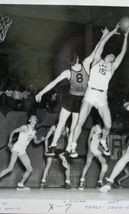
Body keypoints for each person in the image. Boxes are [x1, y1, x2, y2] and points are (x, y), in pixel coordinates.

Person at [35, 28, 109, 158]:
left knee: (61, 124)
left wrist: (41, 92)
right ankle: (70, 149)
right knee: (75, 126)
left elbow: (53, 83)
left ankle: (52, 147)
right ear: (78, 59)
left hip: (69, 99)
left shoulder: (67, 72)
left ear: (69, 62)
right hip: (81, 101)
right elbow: (97, 50)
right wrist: (104, 36)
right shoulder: (86, 65)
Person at [70, 23, 129, 158]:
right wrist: (113, 31)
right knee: (80, 121)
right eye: (110, 54)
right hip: (90, 93)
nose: (111, 55)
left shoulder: (112, 67)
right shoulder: (97, 60)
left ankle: (103, 141)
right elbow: (102, 44)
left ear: (113, 60)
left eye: (113, 56)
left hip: (102, 97)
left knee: (108, 125)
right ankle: (73, 146)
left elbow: (123, 53)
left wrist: (126, 37)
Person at [0, 115, 44, 190]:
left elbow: (36, 141)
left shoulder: (34, 131)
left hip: (23, 150)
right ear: (30, 120)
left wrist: (41, 140)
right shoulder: (25, 127)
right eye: (32, 118)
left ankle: (20, 185)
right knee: (10, 168)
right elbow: (13, 131)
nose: (34, 118)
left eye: (35, 118)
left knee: (29, 169)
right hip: (17, 148)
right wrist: (10, 142)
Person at [40, 124, 72, 189]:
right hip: (53, 148)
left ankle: (67, 182)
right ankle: (42, 182)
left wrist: (69, 149)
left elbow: (69, 140)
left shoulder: (67, 129)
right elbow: (46, 138)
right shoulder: (54, 127)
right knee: (48, 164)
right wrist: (46, 150)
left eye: (63, 127)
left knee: (67, 164)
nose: (62, 128)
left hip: (61, 149)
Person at [78, 122, 108, 190]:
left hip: (97, 148)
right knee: (88, 164)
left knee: (104, 164)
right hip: (92, 147)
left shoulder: (104, 128)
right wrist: (89, 149)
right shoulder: (95, 127)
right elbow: (89, 139)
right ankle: (81, 182)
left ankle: (100, 182)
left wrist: (103, 150)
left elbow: (100, 142)